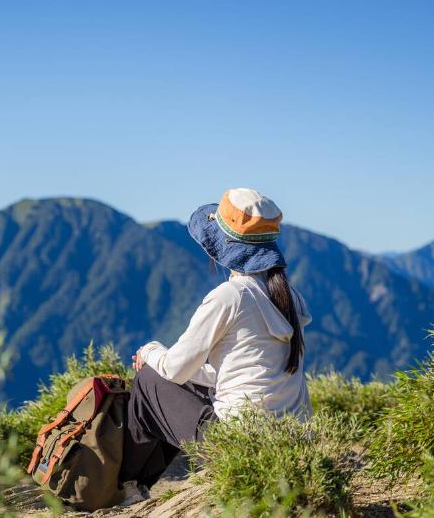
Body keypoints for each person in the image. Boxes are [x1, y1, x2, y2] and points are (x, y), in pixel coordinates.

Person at [118, 188, 313, 505]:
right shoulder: (289, 296)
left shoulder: (230, 297)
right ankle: (134, 484)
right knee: (183, 382)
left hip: (238, 445)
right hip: (292, 445)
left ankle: (127, 486)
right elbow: (243, 371)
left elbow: (174, 369)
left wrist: (148, 351)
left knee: (150, 379)